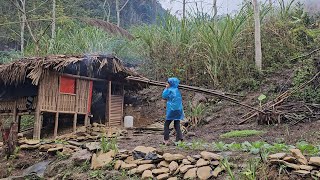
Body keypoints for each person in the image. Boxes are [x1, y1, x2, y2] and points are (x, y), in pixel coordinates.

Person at [162, 77, 184, 145]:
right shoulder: (177, 90)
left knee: (166, 125)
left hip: (172, 110)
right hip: (179, 110)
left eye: (168, 83)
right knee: (176, 124)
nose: (166, 84)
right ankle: (179, 139)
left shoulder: (169, 90)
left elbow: (164, 96)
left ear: (170, 84)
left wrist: (166, 88)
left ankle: (166, 140)